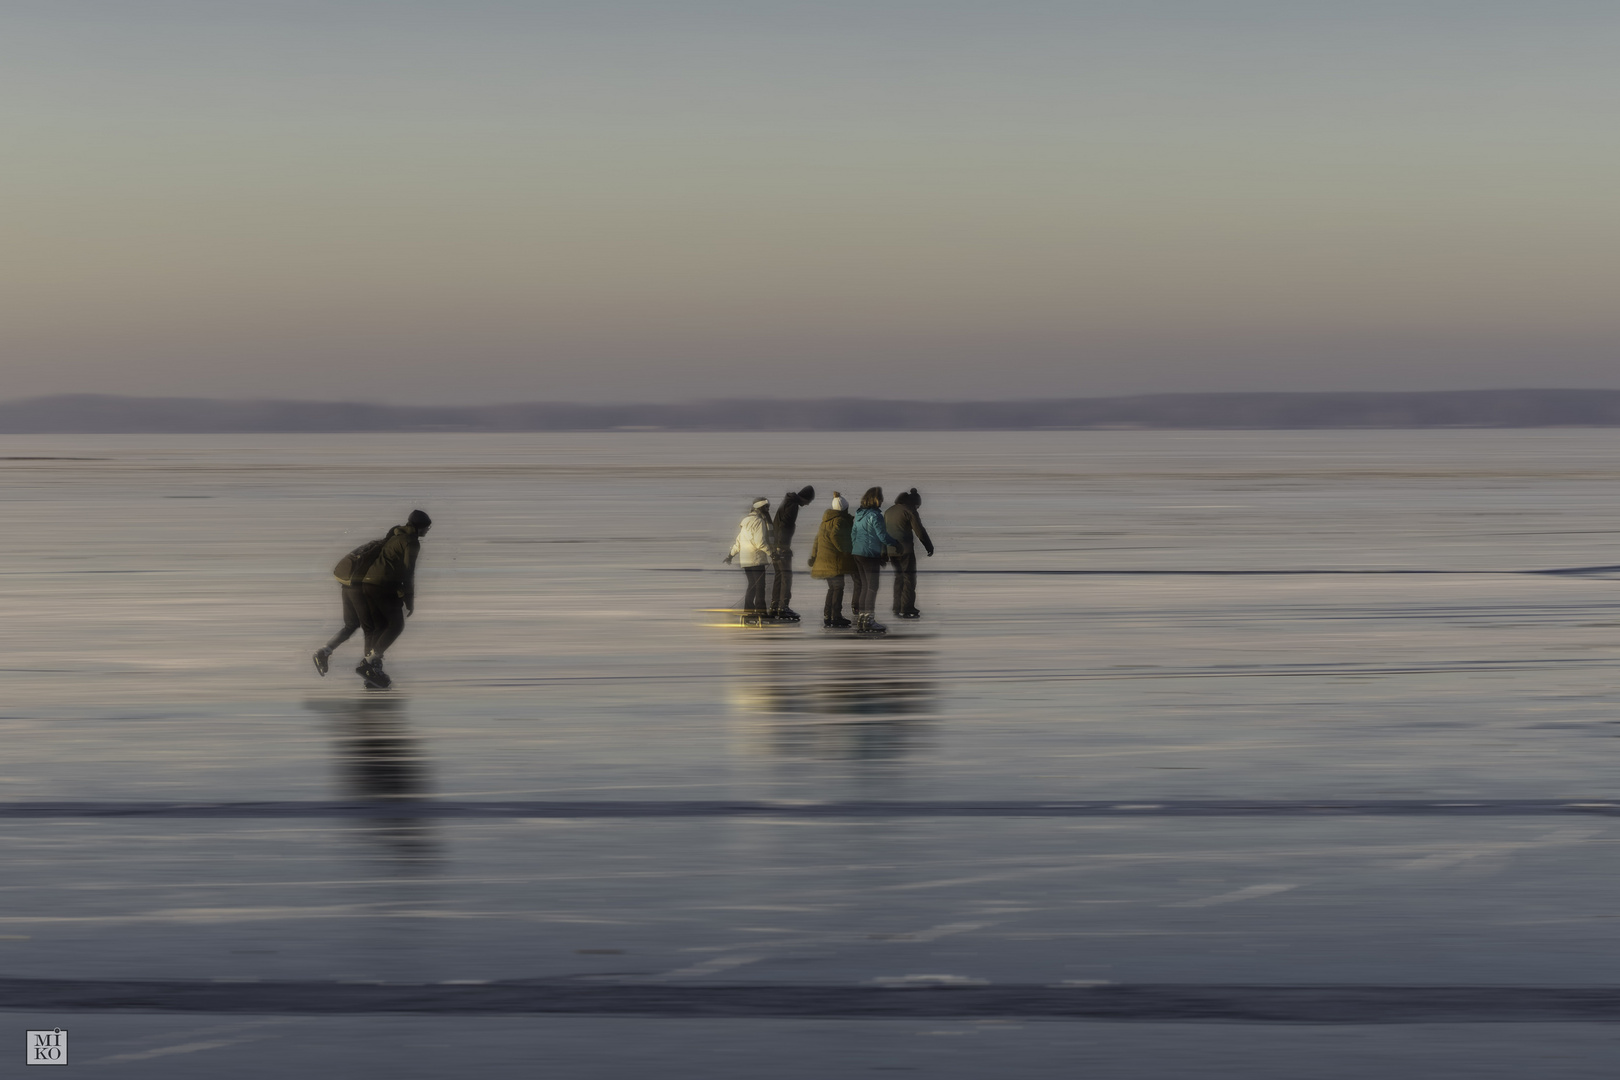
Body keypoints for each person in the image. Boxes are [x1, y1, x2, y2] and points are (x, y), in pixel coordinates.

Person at [355, 509, 432, 688]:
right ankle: (368, 664)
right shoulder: (411, 542)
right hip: (382, 586)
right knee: (396, 625)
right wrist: (409, 598)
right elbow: (408, 572)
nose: (428, 530)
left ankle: (372, 674)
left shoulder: (396, 536)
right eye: (427, 527)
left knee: (380, 628)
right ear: (420, 527)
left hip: (368, 584)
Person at [849, 487, 899, 635]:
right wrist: (896, 543)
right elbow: (882, 536)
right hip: (869, 555)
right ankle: (869, 621)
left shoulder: (859, 515)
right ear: (875, 499)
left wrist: (857, 548)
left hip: (857, 553)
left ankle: (862, 619)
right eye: (881, 498)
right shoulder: (875, 516)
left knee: (865, 586)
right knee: (872, 587)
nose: (882, 501)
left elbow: (853, 535)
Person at [884, 487, 935, 619]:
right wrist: (929, 546)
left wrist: (883, 551)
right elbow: (919, 530)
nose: (917, 509)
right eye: (917, 506)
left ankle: (897, 607)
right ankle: (907, 608)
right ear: (914, 503)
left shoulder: (889, 511)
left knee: (899, 578)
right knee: (909, 579)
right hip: (905, 550)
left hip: (891, 551)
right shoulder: (909, 510)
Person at [807, 491, 855, 628]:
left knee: (832, 588)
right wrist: (845, 550)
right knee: (838, 588)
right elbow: (836, 537)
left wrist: (813, 556)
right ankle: (836, 616)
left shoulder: (825, 522)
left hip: (824, 561)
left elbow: (817, 540)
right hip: (834, 562)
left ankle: (828, 615)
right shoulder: (839, 521)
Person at [768, 485, 816, 621]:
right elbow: (783, 526)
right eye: (809, 501)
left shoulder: (787, 502)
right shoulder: (793, 505)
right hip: (781, 548)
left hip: (776, 547)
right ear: (805, 498)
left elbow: (777, 524)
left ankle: (774, 605)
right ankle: (783, 607)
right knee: (786, 577)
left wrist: (774, 547)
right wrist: (781, 547)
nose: (807, 504)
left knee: (779, 576)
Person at [725, 497, 774, 625]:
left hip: (745, 560)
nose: (768, 509)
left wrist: (731, 555)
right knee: (759, 586)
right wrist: (772, 553)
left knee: (752, 585)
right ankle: (761, 613)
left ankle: (748, 612)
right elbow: (760, 543)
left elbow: (738, 542)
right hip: (756, 558)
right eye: (766, 507)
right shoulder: (758, 521)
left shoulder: (746, 521)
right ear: (760, 508)